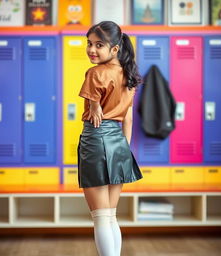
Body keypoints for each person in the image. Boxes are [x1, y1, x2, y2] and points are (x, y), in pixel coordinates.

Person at [77, 21, 143, 256]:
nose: (91, 50)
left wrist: (95, 104)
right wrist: (123, 147)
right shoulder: (129, 75)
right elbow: (128, 119)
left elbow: (95, 100)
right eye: (89, 43)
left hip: (96, 138)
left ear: (115, 49)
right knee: (111, 215)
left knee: (101, 216)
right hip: (119, 141)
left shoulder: (96, 72)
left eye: (99, 45)